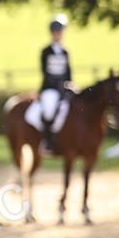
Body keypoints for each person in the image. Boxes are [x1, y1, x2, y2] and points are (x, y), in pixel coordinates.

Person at [39, 15, 71, 154]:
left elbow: (68, 72)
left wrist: (69, 84)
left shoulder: (65, 52)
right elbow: (45, 72)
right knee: (49, 111)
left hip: (64, 88)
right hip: (50, 88)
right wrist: (57, 84)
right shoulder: (46, 51)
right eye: (56, 31)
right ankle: (47, 141)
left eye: (60, 31)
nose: (58, 34)